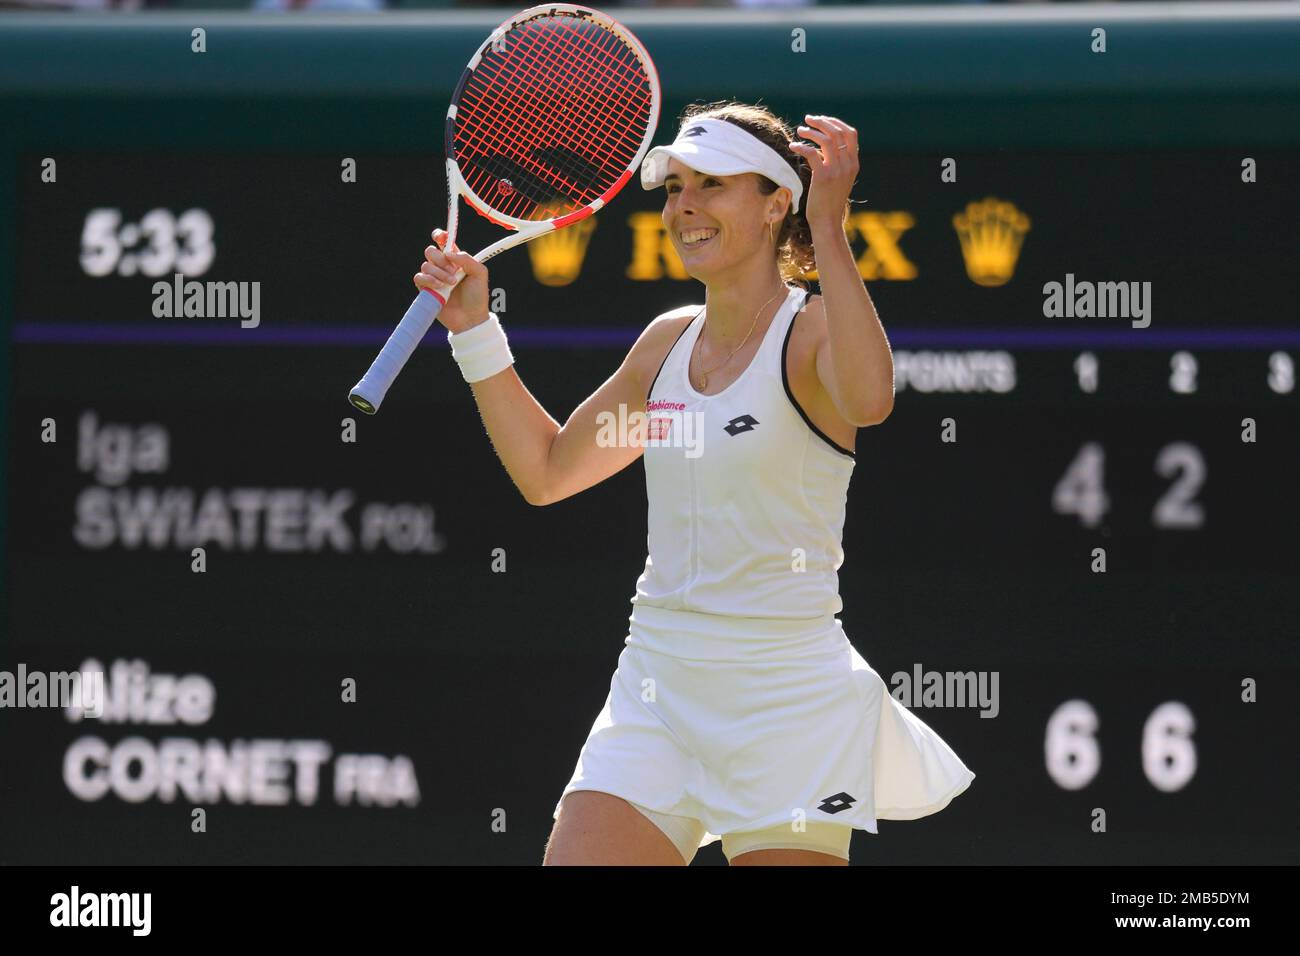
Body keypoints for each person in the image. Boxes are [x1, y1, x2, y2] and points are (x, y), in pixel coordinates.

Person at [417, 100, 974, 866]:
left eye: (712, 184)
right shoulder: (664, 346)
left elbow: (870, 400)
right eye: (675, 187)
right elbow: (547, 472)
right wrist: (476, 331)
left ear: (777, 203)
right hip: (658, 691)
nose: (684, 205)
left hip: (790, 705)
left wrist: (830, 226)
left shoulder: (813, 333)